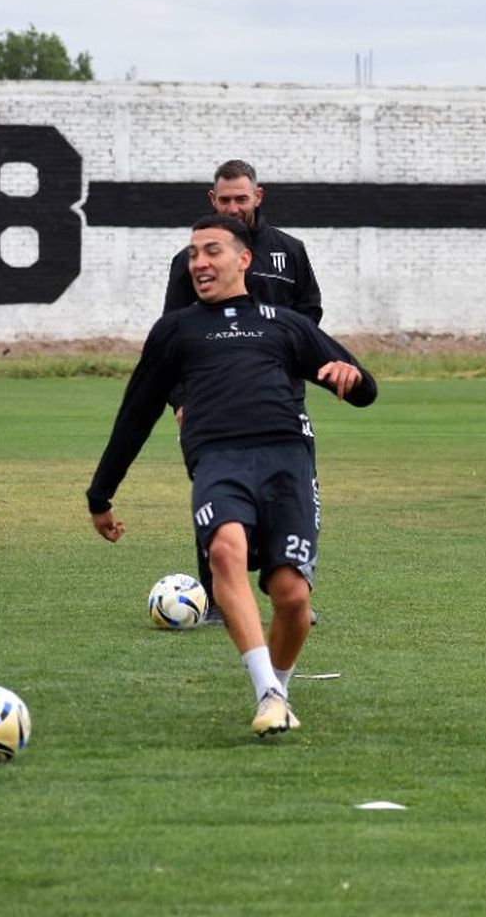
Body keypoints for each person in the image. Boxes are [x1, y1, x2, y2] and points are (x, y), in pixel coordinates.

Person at [87, 214, 376, 736]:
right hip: (219, 461)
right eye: (194, 253)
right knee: (225, 550)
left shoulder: (284, 323)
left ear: (244, 259)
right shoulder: (176, 331)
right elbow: (136, 413)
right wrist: (100, 494)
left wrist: (350, 379)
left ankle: (280, 689)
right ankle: (266, 691)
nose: (200, 262)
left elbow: (363, 387)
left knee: (290, 595)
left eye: (212, 251)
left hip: (287, 461)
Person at [163, 159, 323, 625]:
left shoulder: (289, 252)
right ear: (212, 200)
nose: (234, 207)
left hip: (279, 404)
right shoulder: (190, 260)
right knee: (216, 496)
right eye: (224, 200)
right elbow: (170, 337)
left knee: (288, 494)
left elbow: (310, 317)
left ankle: (289, 596)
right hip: (213, 405)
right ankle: (215, 600)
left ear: (258, 197)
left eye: (241, 198)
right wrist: (180, 400)